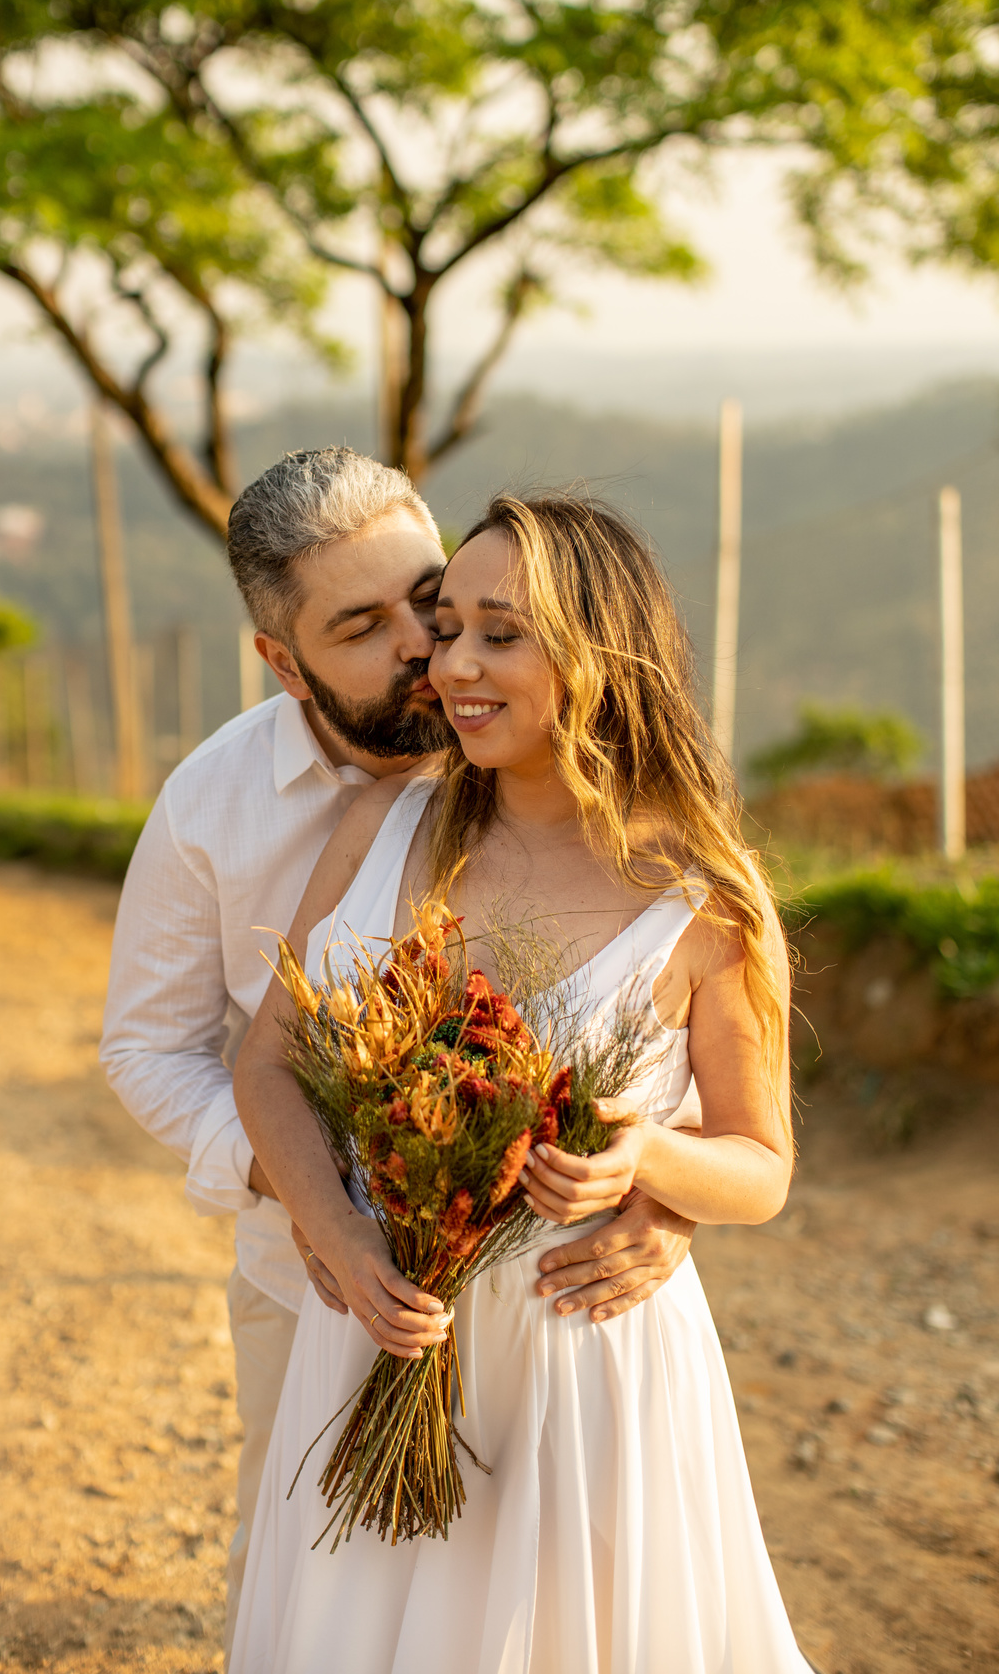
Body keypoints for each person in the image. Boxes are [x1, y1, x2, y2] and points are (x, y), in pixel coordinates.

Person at [99, 453, 698, 1650]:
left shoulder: (528, 743)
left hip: (549, 1295)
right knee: (308, 1572)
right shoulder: (213, 806)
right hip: (311, 1281)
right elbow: (148, 1047)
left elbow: (660, 1001)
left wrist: (662, 1198)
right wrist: (318, 1207)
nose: (431, 649)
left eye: (431, 596)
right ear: (284, 661)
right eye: (365, 628)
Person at [231, 493, 811, 1673]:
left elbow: (762, 1166)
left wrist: (644, 1161)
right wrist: (338, 1232)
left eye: (503, 633)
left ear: (600, 652)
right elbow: (267, 1069)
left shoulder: (707, 895)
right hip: (380, 1339)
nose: (453, 666)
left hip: (582, 1373)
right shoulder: (385, 826)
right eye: (449, 630)